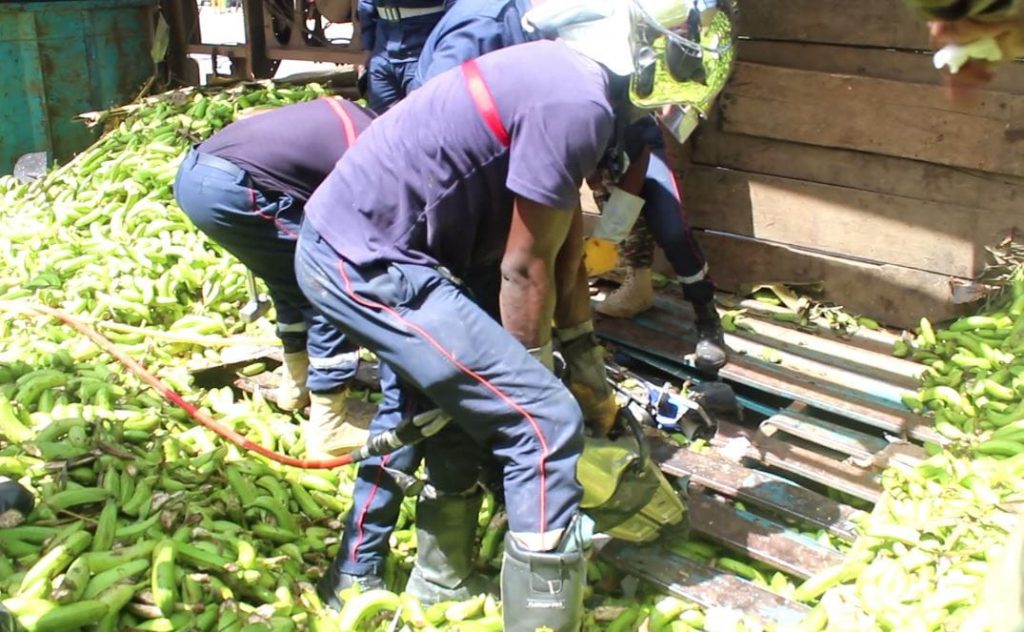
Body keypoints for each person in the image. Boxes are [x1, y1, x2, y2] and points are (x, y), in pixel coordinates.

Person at [298, 1, 735, 628]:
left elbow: (560, 254)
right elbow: (523, 269)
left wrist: (585, 361)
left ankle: (434, 583)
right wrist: (541, 382)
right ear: (641, 49)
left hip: (402, 250)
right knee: (542, 423)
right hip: (367, 255)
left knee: (455, 414)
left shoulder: (578, 89)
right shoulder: (576, 104)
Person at [412, 0, 730, 374]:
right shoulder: (505, 36)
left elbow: (640, 149)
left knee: (672, 231)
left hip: (628, 156)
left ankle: (707, 320)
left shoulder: (625, 83)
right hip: (543, 166)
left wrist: (611, 232)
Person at [172, 97, 375, 457]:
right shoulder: (370, 141)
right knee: (335, 280)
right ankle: (330, 422)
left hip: (194, 177)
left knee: (290, 278)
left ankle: (295, 385)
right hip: (235, 188)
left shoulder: (345, 115)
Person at [357, 0, 454, 112]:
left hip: (424, 46)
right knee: (380, 121)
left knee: (424, 117)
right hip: (382, 48)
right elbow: (366, 4)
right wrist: (367, 49)